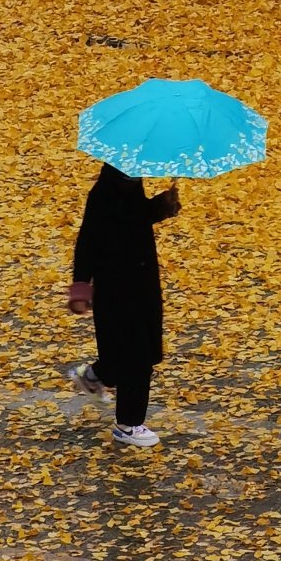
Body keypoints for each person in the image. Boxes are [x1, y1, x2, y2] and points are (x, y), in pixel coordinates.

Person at [67, 164, 180, 447]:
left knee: (128, 350)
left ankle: (94, 376)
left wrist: (160, 207)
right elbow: (88, 240)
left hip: (140, 283)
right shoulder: (104, 194)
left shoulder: (128, 185)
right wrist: (80, 286)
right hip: (117, 286)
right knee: (136, 357)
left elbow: (132, 221)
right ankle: (128, 424)